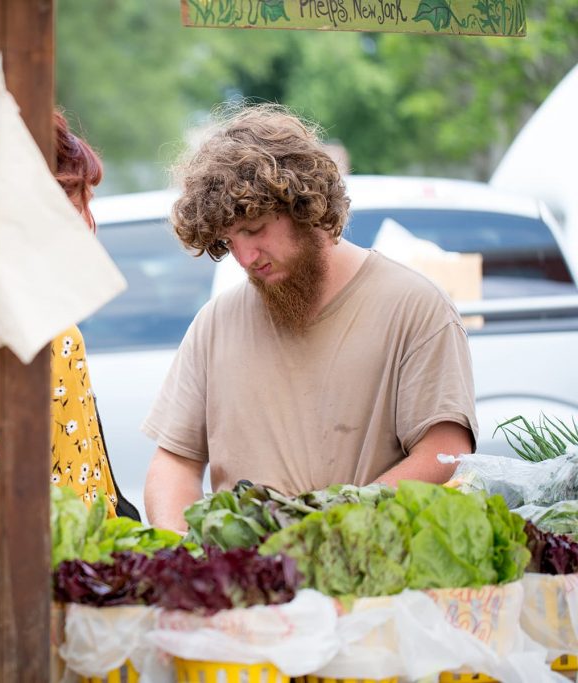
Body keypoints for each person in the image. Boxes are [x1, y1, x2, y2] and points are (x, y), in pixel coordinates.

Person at [142, 104, 478, 532]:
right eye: (229, 240)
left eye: (255, 228)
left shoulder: (414, 307)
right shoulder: (215, 323)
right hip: (244, 589)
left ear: (306, 207)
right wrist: (185, 554)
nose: (244, 258)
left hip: (369, 577)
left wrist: (328, 530)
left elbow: (444, 454)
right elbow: (174, 463)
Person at [50, 109, 140, 521]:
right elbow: (81, 505)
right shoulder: (53, 335)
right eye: (78, 201)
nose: (89, 224)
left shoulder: (55, 326)